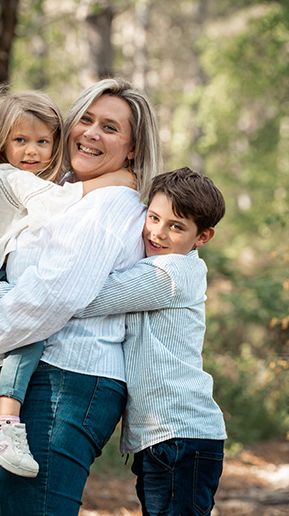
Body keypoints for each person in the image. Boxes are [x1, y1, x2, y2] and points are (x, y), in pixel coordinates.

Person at [0, 77, 162, 515]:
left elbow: (55, 294)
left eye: (110, 128)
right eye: (86, 119)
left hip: (66, 380)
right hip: (47, 377)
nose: (91, 133)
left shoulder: (108, 205)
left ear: (133, 149)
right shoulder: (66, 194)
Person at [74, 167, 228, 515]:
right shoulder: (164, 265)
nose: (157, 232)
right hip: (169, 437)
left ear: (203, 236)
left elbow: (85, 299)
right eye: (154, 217)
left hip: (179, 437)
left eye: (176, 227)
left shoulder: (170, 273)